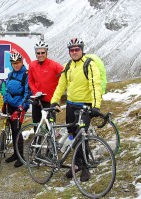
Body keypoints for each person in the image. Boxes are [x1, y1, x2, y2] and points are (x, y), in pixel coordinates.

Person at [50, 38, 102, 182]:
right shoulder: (68, 66)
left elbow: (95, 85)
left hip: (84, 106)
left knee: (81, 135)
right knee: (72, 134)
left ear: (81, 49)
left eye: (76, 49)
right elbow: (61, 85)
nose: (74, 52)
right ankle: (77, 165)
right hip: (71, 105)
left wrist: (96, 106)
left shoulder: (89, 64)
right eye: (71, 50)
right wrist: (54, 100)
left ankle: (85, 168)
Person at [2, 52, 30, 168]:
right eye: (13, 63)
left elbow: (28, 93)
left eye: (17, 63)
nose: (16, 65)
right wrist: (5, 103)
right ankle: (15, 153)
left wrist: (21, 107)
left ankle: (20, 156)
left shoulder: (26, 75)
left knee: (17, 130)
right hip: (10, 105)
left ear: (21, 62)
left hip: (19, 106)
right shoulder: (10, 74)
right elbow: (7, 90)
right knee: (13, 130)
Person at [28, 40, 64, 124]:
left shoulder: (55, 65)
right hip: (37, 100)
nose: (40, 55)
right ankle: (37, 137)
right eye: (38, 53)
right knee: (36, 125)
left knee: (50, 127)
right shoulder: (32, 65)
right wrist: (35, 91)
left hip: (50, 101)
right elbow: (30, 81)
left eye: (42, 52)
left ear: (46, 52)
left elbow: (65, 77)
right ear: (35, 54)